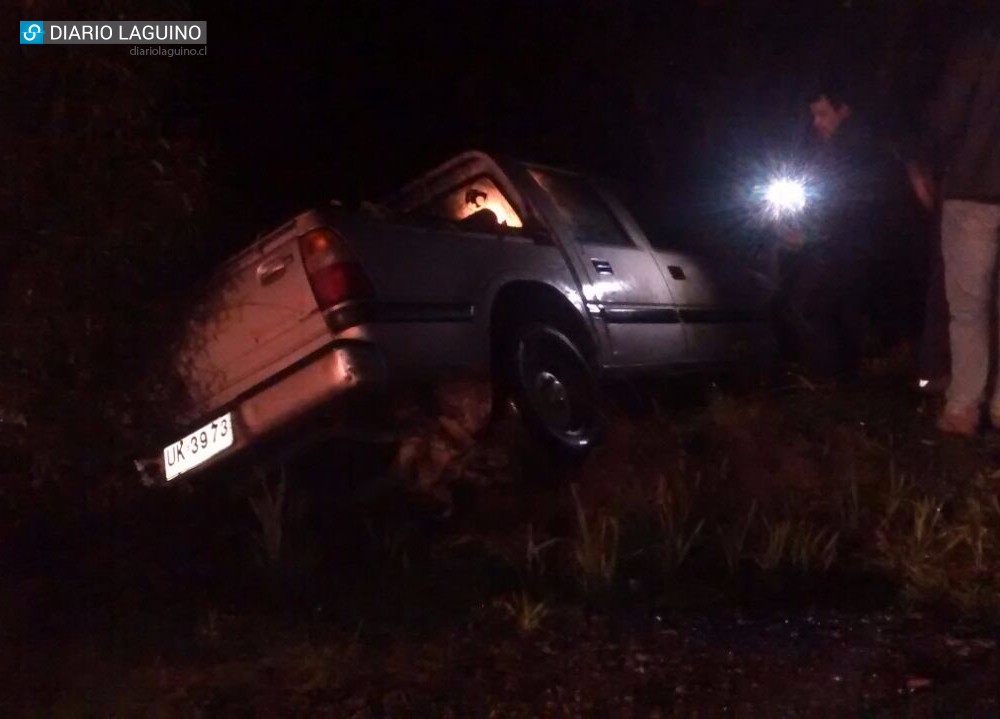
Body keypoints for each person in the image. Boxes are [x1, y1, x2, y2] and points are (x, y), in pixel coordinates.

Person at [775, 83, 889, 381]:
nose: (817, 123)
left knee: (814, 305)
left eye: (822, 114)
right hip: (836, 248)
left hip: (847, 251)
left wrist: (807, 237)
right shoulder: (830, 147)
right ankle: (839, 379)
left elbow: (848, 208)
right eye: (814, 116)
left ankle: (829, 380)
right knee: (828, 309)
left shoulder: (856, 149)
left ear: (843, 111)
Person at [922, 18, 1000, 435]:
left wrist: (926, 162)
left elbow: (946, 115)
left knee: (968, 309)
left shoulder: (980, 40)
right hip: (972, 188)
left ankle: (964, 408)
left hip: (972, 188)